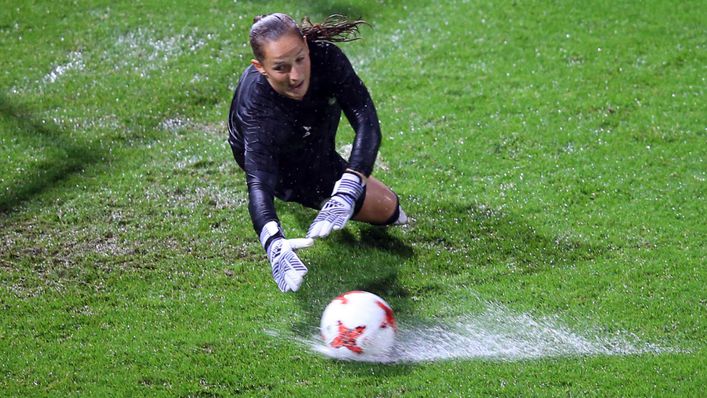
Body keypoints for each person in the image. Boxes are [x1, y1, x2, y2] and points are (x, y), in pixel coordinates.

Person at [228, 13, 407, 293]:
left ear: (306, 46)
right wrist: (273, 242)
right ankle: (303, 194)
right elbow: (259, 184)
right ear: (260, 68)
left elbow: (366, 121)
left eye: (300, 58)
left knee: (391, 208)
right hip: (285, 161)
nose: (296, 75)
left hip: (314, 133)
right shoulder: (258, 111)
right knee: (383, 208)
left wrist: (349, 186)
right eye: (281, 68)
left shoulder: (327, 59)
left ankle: (333, 184)